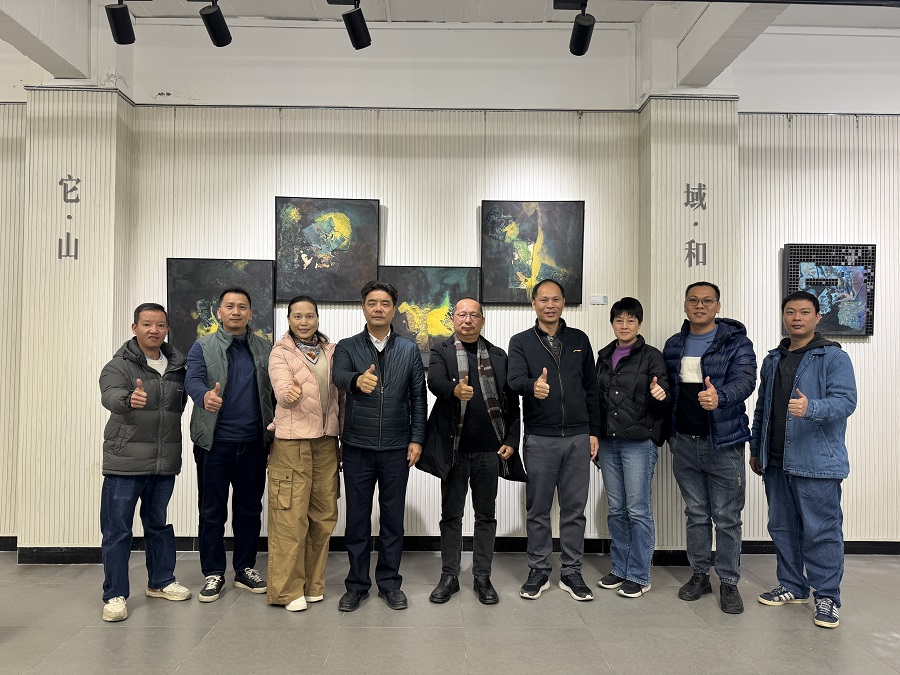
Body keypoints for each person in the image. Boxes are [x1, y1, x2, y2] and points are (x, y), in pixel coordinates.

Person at [750, 291, 857, 629]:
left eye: (805, 312)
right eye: (791, 312)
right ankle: (793, 586)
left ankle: (827, 597)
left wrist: (811, 408)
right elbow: (762, 409)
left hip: (816, 461)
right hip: (775, 460)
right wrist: (756, 449)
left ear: (817, 317)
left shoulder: (833, 357)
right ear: (783, 316)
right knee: (782, 527)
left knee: (821, 531)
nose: (797, 318)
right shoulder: (773, 359)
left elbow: (846, 401)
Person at [332, 281, 427, 612]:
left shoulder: (409, 349)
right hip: (357, 446)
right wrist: (356, 380)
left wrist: (417, 439)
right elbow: (338, 376)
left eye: (385, 303)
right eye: (372, 302)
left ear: (393, 309)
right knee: (357, 520)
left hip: (397, 447)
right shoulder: (347, 347)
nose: (378, 308)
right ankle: (357, 585)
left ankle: (389, 583)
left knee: (392, 521)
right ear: (363, 308)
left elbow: (418, 397)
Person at [663, 281, 756, 614]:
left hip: (724, 444)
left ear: (718, 306)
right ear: (685, 305)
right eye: (693, 300)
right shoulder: (674, 344)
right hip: (684, 443)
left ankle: (728, 582)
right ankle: (700, 575)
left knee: (727, 517)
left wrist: (721, 397)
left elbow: (746, 381)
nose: (699, 305)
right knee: (696, 514)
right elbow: (669, 388)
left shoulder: (737, 343)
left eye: (707, 301)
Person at [422, 297, 521, 605]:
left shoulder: (498, 355)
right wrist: (455, 390)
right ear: (453, 319)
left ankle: (482, 576)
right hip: (454, 450)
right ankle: (449, 576)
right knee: (451, 515)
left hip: (489, 451)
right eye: (462, 315)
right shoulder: (440, 351)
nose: (467, 320)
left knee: (486, 516)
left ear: (482, 320)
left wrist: (512, 439)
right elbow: (434, 382)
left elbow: (511, 403)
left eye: (473, 315)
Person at [507, 278, 601, 602]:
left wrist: (593, 431)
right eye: (544, 299)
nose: (550, 305)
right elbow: (514, 380)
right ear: (533, 303)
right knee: (538, 509)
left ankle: (572, 572)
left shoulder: (579, 340)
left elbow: (591, 388)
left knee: (574, 509)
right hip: (540, 438)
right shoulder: (521, 342)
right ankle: (538, 570)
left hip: (577, 436)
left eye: (556, 299)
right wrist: (532, 386)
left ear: (563, 302)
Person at [98, 303, 191, 622]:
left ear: (167, 329)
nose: (154, 330)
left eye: (160, 325)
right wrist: (127, 400)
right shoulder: (119, 365)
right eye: (147, 324)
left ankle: (161, 581)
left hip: (163, 462)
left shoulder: (178, 366)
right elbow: (109, 395)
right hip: (125, 461)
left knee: (158, 525)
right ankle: (114, 594)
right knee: (117, 530)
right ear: (134, 327)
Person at [186, 287, 274, 603]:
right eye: (230, 306)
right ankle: (213, 572)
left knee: (249, 510)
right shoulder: (202, 346)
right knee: (212, 511)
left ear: (250, 313)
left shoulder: (265, 348)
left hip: (253, 443)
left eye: (242, 307)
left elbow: (275, 391)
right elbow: (192, 380)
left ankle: (245, 568)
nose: (236, 312)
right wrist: (203, 396)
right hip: (214, 443)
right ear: (219, 312)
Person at [266, 295, 343, 612]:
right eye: (297, 316)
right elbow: (282, 388)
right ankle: (287, 591)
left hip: (326, 443)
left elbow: (341, 395)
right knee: (289, 518)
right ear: (288, 320)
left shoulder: (332, 351)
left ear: (317, 318)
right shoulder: (280, 352)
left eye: (309, 316)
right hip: (292, 443)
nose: (303, 322)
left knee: (323, 516)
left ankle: (313, 584)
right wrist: (289, 393)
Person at [594, 297, 670, 599]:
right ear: (612, 323)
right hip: (608, 442)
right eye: (619, 320)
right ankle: (620, 568)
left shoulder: (652, 356)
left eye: (630, 320)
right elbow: (596, 399)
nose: (624, 325)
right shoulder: (604, 356)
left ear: (639, 323)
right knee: (616, 509)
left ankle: (639, 574)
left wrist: (660, 394)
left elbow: (665, 397)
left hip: (639, 442)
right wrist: (594, 436)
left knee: (637, 510)